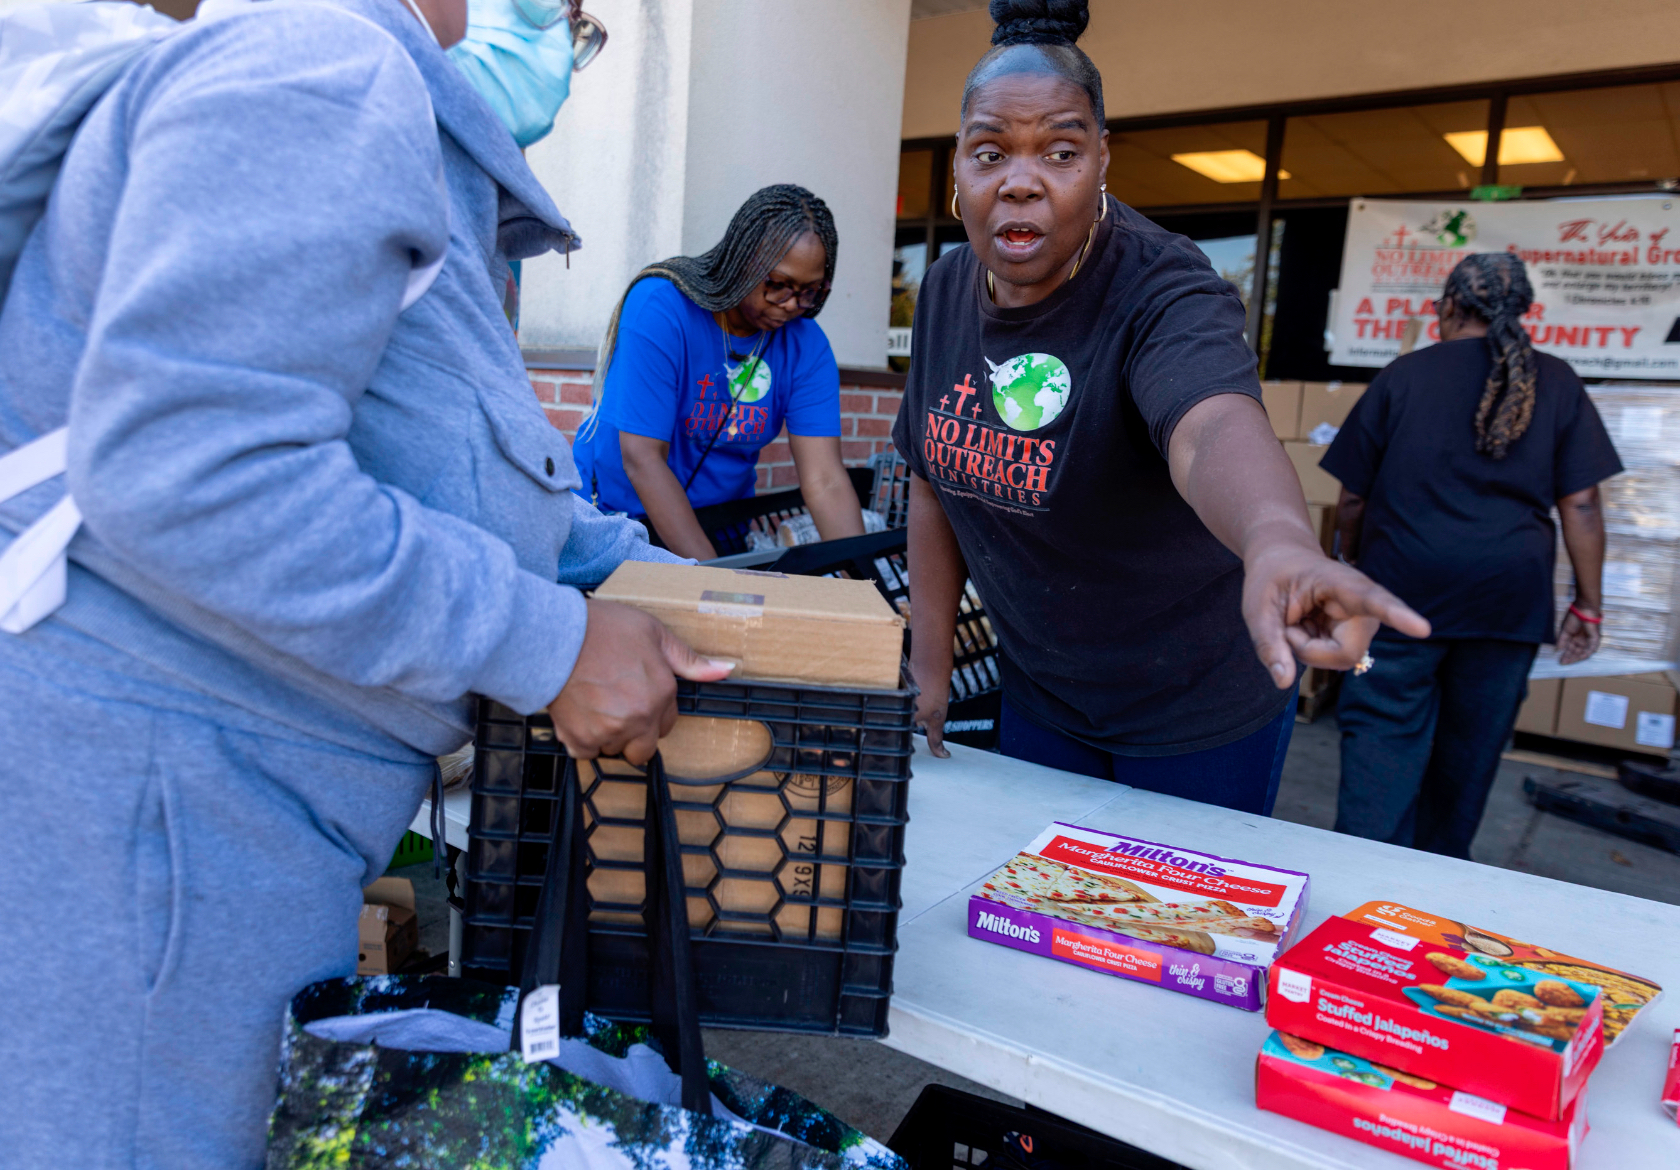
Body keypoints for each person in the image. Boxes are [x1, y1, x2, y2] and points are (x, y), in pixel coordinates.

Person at [0, 0, 729, 1165]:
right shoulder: (328, 71)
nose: (565, 44)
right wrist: (548, 644)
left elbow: (424, 461)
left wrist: (664, 582)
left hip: (189, 817)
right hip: (175, 829)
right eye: (573, 19)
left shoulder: (337, 87)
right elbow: (197, 470)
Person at [895, 0, 1429, 814]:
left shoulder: (1164, 287)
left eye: (1062, 151)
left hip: (1197, 707)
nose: (1022, 180)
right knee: (1041, 918)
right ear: (960, 165)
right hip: (1044, 692)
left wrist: (1278, 542)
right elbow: (933, 479)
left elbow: (1208, 425)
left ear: (1103, 159)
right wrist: (931, 661)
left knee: (1173, 931)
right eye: (990, 151)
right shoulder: (941, 291)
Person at [1323, 253, 1621, 857]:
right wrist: (1587, 606)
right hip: (1507, 601)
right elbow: (1582, 505)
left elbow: (1352, 500)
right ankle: (1440, 885)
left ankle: (1363, 888)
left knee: (1381, 735)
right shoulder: (1557, 380)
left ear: (1451, 307)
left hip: (1399, 594)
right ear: (1523, 312)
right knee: (1474, 749)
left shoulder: (1404, 376)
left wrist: (1348, 571)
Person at [573, 186, 866, 559]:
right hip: (618, 523)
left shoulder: (806, 345)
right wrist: (717, 586)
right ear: (742, 261)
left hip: (716, 528)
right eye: (777, 285)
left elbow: (824, 480)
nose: (792, 305)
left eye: (810, 291)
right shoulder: (661, 306)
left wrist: (864, 584)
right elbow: (642, 459)